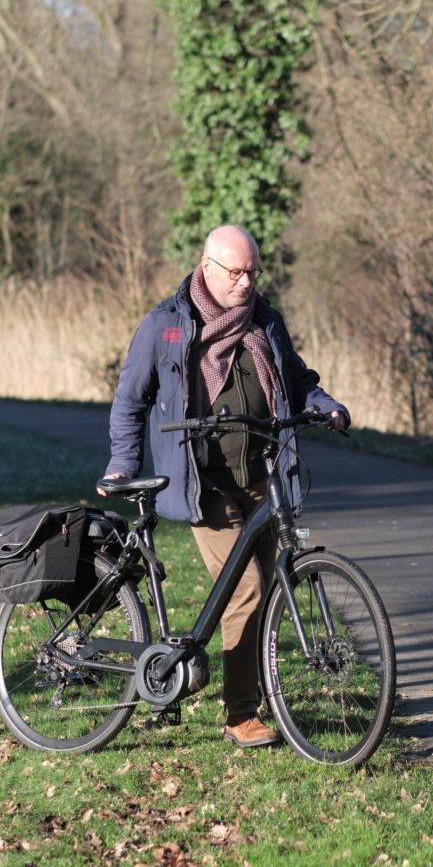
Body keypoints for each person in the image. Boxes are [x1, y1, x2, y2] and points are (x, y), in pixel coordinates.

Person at [101, 225, 350, 747]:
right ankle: (241, 715)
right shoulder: (167, 325)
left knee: (267, 585)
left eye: (253, 272)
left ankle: (257, 694)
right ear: (207, 267)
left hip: (263, 477)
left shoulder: (265, 319)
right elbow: (131, 400)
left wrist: (323, 404)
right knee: (248, 588)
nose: (245, 281)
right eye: (235, 271)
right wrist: (123, 464)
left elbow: (297, 378)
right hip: (204, 484)